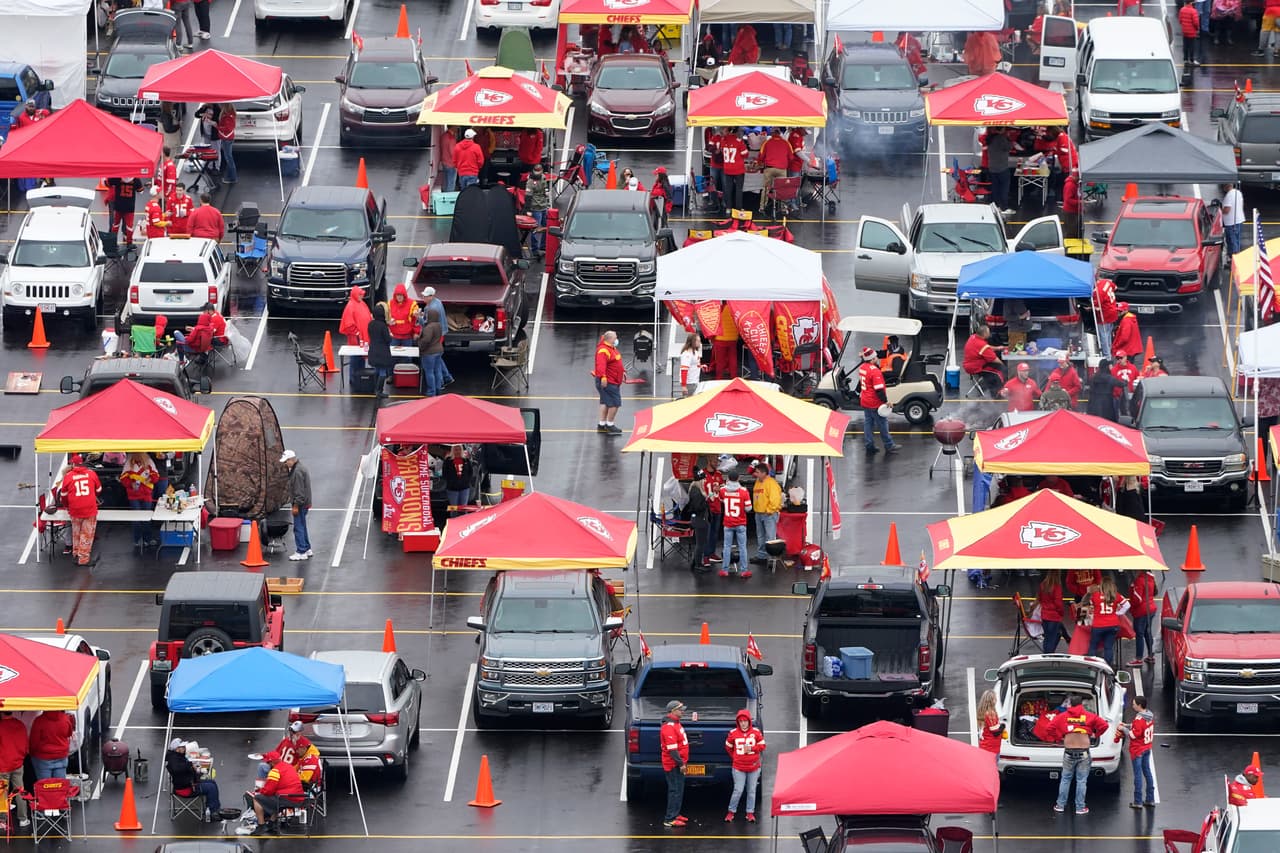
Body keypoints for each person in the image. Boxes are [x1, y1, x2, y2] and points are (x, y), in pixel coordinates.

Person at [1048, 694, 1109, 814]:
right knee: (1081, 781)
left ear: (1070, 704)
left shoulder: (1062, 716)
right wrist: (1095, 735)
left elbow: (1049, 728)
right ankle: (1080, 808)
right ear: (1081, 704)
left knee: (1065, 779)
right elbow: (1104, 726)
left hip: (1069, 752)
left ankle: (1060, 805)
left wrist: (1059, 737)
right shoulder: (1089, 716)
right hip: (1084, 753)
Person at [243, 751, 305, 835]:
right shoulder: (289, 766)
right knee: (275, 797)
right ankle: (272, 823)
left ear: (271, 763)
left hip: (287, 798)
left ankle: (261, 826)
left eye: (267, 762)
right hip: (299, 798)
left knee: (257, 799)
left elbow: (268, 791)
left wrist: (259, 791)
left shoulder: (275, 771)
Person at [59, 454, 101, 566]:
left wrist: (67, 505)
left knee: (76, 533)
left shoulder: (68, 476)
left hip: (74, 510)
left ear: (73, 464)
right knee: (87, 534)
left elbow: (63, 495)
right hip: (89, 509)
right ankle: (83, 559)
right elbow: (99, 489)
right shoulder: (91, 474)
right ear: (82, 463)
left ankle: (76, 554)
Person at [724, 709, 765, 822]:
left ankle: (750, 813)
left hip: (753, 767)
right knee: (738, 790)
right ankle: (731, 812)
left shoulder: (756, 732)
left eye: (745, 721)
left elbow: (762, 746)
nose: (743, 723)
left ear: (749, 721)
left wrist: (752, 748)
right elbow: (728, 747)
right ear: (738, 722)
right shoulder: (733, 733)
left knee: (751, 791)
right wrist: (735, 757)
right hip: (739, 768)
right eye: (741, 721)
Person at [857, 346, 899, 455]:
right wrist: (886, 402)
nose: (877, 358)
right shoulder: (875, 372)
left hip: (865, 400)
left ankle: (869, 445)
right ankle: (889, 445)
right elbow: (879, 390)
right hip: (874, 402)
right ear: (872, 360)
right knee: (883, 423)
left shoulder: (862, 367)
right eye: (875, 357)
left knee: (868, 424)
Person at [166, 739, 221, 819]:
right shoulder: (174, 760)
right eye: (183, 747)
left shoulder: (176, 757)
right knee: (211, 788)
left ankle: (214, 808)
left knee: (212, 782)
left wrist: (191, 767)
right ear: (177, 749)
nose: (185, 748)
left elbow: (183, 769)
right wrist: (190, 767)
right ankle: (212, 813)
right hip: (186, 789)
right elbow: (177, 769)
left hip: (187, 784)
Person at [1118, 697, 1156, 809]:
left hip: (1137, 750)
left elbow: (1133, 735)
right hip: (1147, 748)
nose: (1132, 705)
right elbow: (1139, 728)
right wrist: (1128, 725)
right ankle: (1150, 799)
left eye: (1134, 704)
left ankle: (1138, 801)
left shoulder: (1139, 719)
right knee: (1147, 773)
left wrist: (1123, 729)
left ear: (1139, 705)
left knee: (1138, 775)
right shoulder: (1149, 715)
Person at [659, 701, 690, 828]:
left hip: (678, 764)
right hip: (673, 765)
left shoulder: (676, 723)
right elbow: (672, 750)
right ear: (672, 711)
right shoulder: (669, 727)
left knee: (679, 789)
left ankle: (676, 814)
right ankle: (669, 818)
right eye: (680, 709)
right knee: (674, 790)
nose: (683, 711)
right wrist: (681, 764)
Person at [1086, 576, 1128, 665]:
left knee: (1093, 646)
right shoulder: (1116, 595)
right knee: (1108, 647)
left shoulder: (1095, 596)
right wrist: (1118, 613)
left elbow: (1089, 608)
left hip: (1098, 625)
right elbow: (1127, 605)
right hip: (1113, 625)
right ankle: (1108, 667)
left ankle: (1092, 666)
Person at [120, 452, 159, 549]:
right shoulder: (129, 464)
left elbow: (156, 476)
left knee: (147, 517)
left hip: (146, 494)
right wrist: (130, 484)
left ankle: (147, 539)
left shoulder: (149, 462)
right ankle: (137, 539)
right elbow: (123, 478)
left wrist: (150, 478)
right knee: (136, 518)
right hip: (134, 495)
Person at [718, 470, 753, 578]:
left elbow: (721, 499)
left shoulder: (723, 490)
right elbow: (748, 508)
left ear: (728, 478)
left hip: (728, 523)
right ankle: (744, 571)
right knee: (742, 547)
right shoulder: (744, 491)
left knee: (727, 546)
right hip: (740, 523)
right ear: (738, 478)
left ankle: (724, 570)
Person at [0, 711, 30, 829]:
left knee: (2, 793)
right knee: (20, 791)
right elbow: (25, 744)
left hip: (2, 765)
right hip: (17, 763)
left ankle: (2, 820)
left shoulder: (1, 726)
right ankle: (23, 818)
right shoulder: (20, 725)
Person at [419, 287, 454, 386]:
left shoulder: (430, 308)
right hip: (441, 332)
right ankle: (447, 377)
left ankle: (441, 382)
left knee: (435, 358)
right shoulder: (438, 302)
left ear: (431, 296)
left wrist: (419, 317)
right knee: (438, 357)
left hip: (434, 334)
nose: (423, 298)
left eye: (425, 296)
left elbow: (426, 324)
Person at [281, 450, 312, 561]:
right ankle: (307, 548)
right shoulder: (300, 468)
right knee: (302, 526)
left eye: (286, 461)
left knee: (298, 527)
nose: (285, 464)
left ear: (291, 460)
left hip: (300, 504)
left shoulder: (297, 472)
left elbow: (299, 493)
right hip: (305, 503)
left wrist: (295, 506)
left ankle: (301, 551)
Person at [339, 286, 373, 386]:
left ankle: (359, 378)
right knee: (355, 358)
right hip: (356, 338)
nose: (362, 296)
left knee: (361, 358)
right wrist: (357, 333)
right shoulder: (351, 306)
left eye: (362, 294)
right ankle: (353, 379)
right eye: (360, 294)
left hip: (363, 337)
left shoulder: (362, 304)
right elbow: (348, 324)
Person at [593, 330, 625, 435]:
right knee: (615, 403)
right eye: (615, 338)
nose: (616, 339)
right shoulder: (603, 350)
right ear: (610, 339)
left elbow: (615, 363)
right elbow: (600, 365)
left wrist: (622, 372)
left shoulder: (611, 348)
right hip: (608, 382)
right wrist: (603, 377)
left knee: (605, 402)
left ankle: (602, 424)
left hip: (611, 380)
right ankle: (610, 424)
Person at [29, 710, 74, 781]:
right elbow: (69, 733)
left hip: (43, 758)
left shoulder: (39, 721)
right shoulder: (65, 719)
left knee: (44, 786)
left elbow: (34, 741)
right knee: (59, 785)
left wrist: (31, 753)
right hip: (61, 756)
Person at [751, 463, 781, 563]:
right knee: (761, 536)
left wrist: (769, 510)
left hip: (768, 514)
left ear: (764, 473)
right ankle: (762, 556)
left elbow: (775, 499)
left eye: (757, 472)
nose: (755, 474)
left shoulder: (771, 483)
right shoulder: (758, 482)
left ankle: (771, 557)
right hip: (759, 513)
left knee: (770, 537)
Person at [1127, 569, 1158, 665]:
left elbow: (1137, 599)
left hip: (1141, 611)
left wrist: (1130, 606)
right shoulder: (1151, 578)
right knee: (1147, 632)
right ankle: (1151, 655)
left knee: (1139, 634)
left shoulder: (1139, 581)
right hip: (1151, 608)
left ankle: (1138, 658)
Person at [963, 325, 1005, 395]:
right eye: (988, 332)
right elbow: (994, 359)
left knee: (997, 360)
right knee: (1000, 371)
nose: (990, 333)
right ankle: (998, 393)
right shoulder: (981, 344)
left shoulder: (973, 337)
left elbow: (986, 347)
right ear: (984, 334)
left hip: (971, 363)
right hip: (976, 367)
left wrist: (997, 348)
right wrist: (1003, 364)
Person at [759, 128, 792, 211]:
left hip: (769, 169)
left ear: (772, 133)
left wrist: (760, 162)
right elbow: (791, 157)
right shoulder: (786, 143)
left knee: (766, 188)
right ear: (779, 133)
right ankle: (783, 207)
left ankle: (762, 207)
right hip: (782, 169)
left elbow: (761, 156)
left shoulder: (766, 143)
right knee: (782, 188)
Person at [106, 177, 144, 246]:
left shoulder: (117, 178)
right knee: (129, 227)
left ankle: (113, 242)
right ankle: (129, 243)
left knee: (115, 225)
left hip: (119, 206)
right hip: (129, 207)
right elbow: (141, 191)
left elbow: (107, 183)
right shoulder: (136, 180)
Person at [983, 126, 1013, 214]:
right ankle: (1004, 207)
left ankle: (996, 206)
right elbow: (1008, 147)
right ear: (1002, 129)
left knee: (995, 188)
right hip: (1002, 168)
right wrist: (1008, 138)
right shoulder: (1001, 139)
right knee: (1004, 188)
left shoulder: (990, 138)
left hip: (992, 168)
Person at [1038, 571, 1067, 654]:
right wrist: (1061, 613)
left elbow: (1039, 598)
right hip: (1054, 617)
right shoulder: (1056, 587)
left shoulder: (1043, 585)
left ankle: (1046, 654)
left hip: (1044, 615)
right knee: (1052, 638)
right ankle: (1048, 655)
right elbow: (1058, 603)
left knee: (1047, 638)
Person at [720, 130, 748, 211]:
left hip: (727, 168)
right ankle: (738, 208)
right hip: (738, 169)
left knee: (728, 189)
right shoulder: (739, 141)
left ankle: (728, 208)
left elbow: (722, 152)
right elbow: (745, 154)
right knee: (738, 189)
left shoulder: (723, 140)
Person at [526, 164, 551, 254]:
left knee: (546, 226)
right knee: (536, 229)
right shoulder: (530, 181)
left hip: (544, 205)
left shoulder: (543, 177)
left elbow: (545, 188)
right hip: (535, 206)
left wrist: (546, 192)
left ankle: (543, 246)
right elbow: (528, 196)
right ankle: (535, 249)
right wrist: (528, 210)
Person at [418, 312, 445, 396]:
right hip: (439, 350)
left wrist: (420, 345)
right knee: (437, 371)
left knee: (429, 372)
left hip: (429, 352)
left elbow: (426, 340)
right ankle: (438, 389)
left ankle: (431, 391)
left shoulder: (429, 327)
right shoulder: (438, 325)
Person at [1092, 277, 1119, 356]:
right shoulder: (1106, 281)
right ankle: (1109, 352)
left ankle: (1107, 356)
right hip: (1113, 311)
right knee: (1108, 334)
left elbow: (1096, 307)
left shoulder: (1097, 292)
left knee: (1104, 336)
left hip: (1105, 315)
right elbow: (1115, 287)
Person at [712, 304, 740, 380]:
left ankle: (719, 378)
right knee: (733, 359)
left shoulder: (720, 308)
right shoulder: (736, 307)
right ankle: (734, 377)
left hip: (721, 338)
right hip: (733, 337)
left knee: (720, 361)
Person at [443, 445, 474, 509]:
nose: (458, 451)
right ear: (453, 451)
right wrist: (451, 482)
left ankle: (464, 519)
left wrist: (467, 481)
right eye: (456, 450)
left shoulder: (466, 460)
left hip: (464, 488)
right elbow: (445, 474)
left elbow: (470, 472)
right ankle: (454, 519)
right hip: (452, 489)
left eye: (459, 449)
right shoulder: (448, 461)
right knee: (454, 509)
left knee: (463, 508)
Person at [977, 689, 1003, 756]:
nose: (996, 700)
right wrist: (1002, 727)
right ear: (991, 701)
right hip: (992, 748)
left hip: (985, 745)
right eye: (995, 698)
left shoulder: (982, 712)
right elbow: (995, 732)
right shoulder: (991, 714)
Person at [1220, 182, 1244, 256]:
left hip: (1231, 222)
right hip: (1239, 220)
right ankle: (1236, 257)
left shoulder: (1229, 195)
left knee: (1232, 241)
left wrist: (1220, 210)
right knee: (1237, 240)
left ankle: (1234, 258)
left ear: (1226, 186)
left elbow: (1227, 210)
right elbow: (1242, 205)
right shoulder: (1238, 193)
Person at [216, 103, 238, 184]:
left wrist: (217, 126)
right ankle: (230, 176)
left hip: (227, 138)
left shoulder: (228, 116)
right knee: (229, 157)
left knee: (229, 158)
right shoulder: (231, 115)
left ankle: (233, 177)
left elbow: (227, 128)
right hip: (228, 138)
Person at [1179, 0, 1202, 72]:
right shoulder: (1193, 11)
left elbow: (1180, 20)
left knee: (1185, 46)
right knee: (1192, 46)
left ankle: (1186, 60)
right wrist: (1197, 29)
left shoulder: (1182, 10)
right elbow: (1196, 23)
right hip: (1192, 32)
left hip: (1185, 31)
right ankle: (1191, 60)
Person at [1061, 168, 1082, 239]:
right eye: (1078, 177)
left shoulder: (1074, 184)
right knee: (1071, 232)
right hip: (1070, 213)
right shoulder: (1070, 185)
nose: (1079, 179)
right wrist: (1080, 202)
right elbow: (1068, 200)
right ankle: (1069, 248)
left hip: (1073, 212)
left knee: (1074, 231)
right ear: (1075, 177)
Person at [438, 126, 457, 192]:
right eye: (456, 127)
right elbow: (453, 153)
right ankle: (449, 198)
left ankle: (444, 196)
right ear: (453, 127)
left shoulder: (443, 136)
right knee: (451, 183)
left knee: (445, 181)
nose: (457, 128)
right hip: (451, 164)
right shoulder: (451, 138)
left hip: (444, 161)